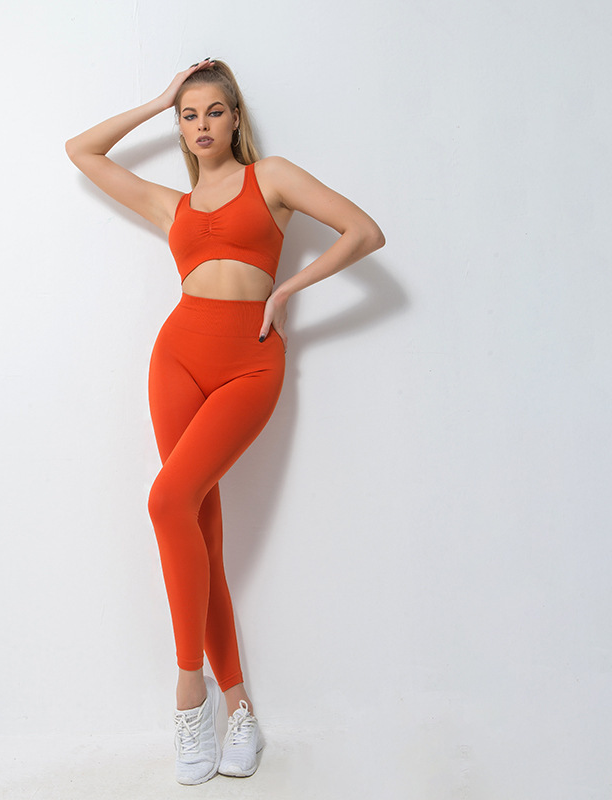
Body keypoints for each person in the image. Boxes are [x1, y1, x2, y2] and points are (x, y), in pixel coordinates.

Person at [65, 58, 384, 785]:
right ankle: (235, 707)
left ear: (236, 118)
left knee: (166, 500)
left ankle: (189, 692)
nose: (201, 124)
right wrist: (159, 99)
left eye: (213, 110)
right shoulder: (170, 206)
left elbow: (363, 231)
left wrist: (287, 291)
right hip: (177, 358)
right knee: (197, 524)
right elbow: (81, 151)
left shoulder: (272, 178)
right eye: (189, 115)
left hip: (251, 363)